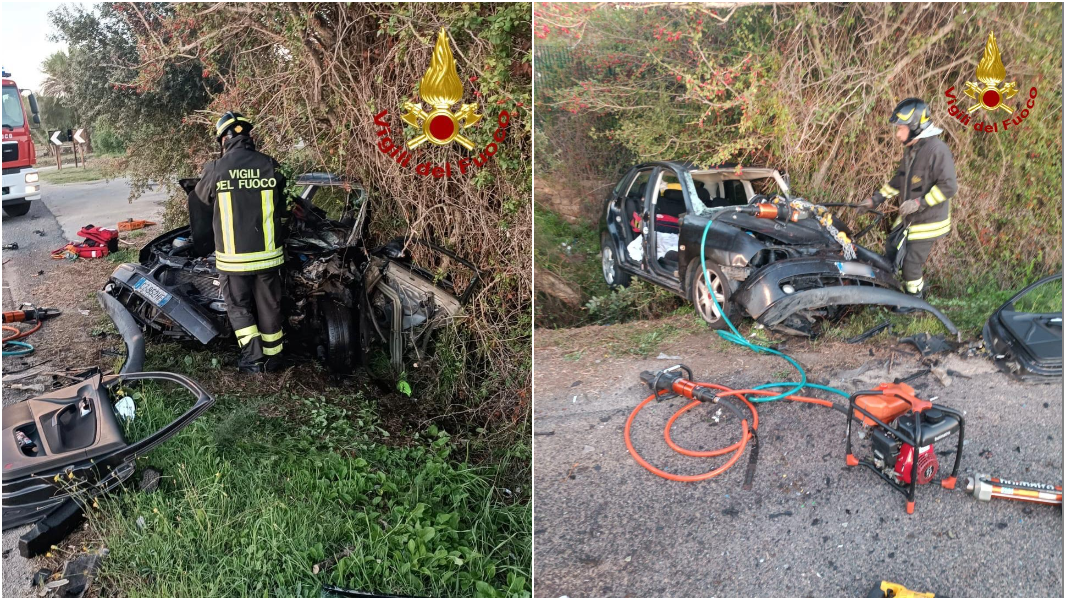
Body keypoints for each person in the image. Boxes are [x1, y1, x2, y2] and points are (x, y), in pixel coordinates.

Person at [193, 111, 288, 373]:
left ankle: (253, 359)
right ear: (248, 137)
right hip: (269, 258)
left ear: (223, 140)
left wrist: (200, 242)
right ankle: (274, 358)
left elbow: (199, 204)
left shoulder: (216, 169)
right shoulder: (271, 165)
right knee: (270, 307)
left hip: (234, 261)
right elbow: (284, 205)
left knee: (239, 308)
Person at [861, 98, 957, 301]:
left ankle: (915, 301)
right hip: (910, 219)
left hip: (928, 221)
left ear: (914, 126)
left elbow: (948, 186)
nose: (898, 134)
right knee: (891, 249)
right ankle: (895, 291)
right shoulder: (912, 150)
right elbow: (899, 180)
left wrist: (919, 203)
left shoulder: (937, 150)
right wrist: (875, 199)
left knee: (911, 265)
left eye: (901, 129)